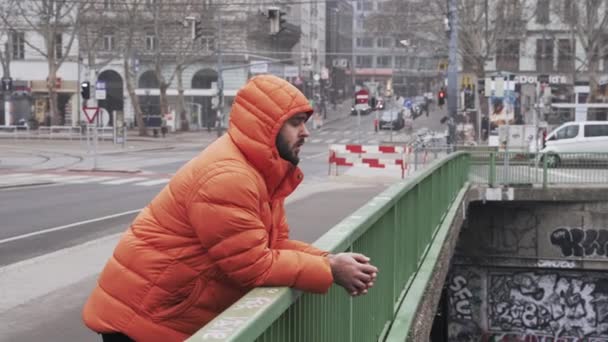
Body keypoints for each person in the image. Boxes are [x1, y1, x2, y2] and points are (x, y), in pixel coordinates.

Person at [82, 75, 378, 342]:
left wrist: (330, 259)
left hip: (162, 310)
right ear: (267, 125)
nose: (306, 132)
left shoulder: (260, 170)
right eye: (296, 122)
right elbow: (254, 265)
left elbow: (273, 245)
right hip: (142, 319)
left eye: (305, 122)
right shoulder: (229, 177)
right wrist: (330, 270)